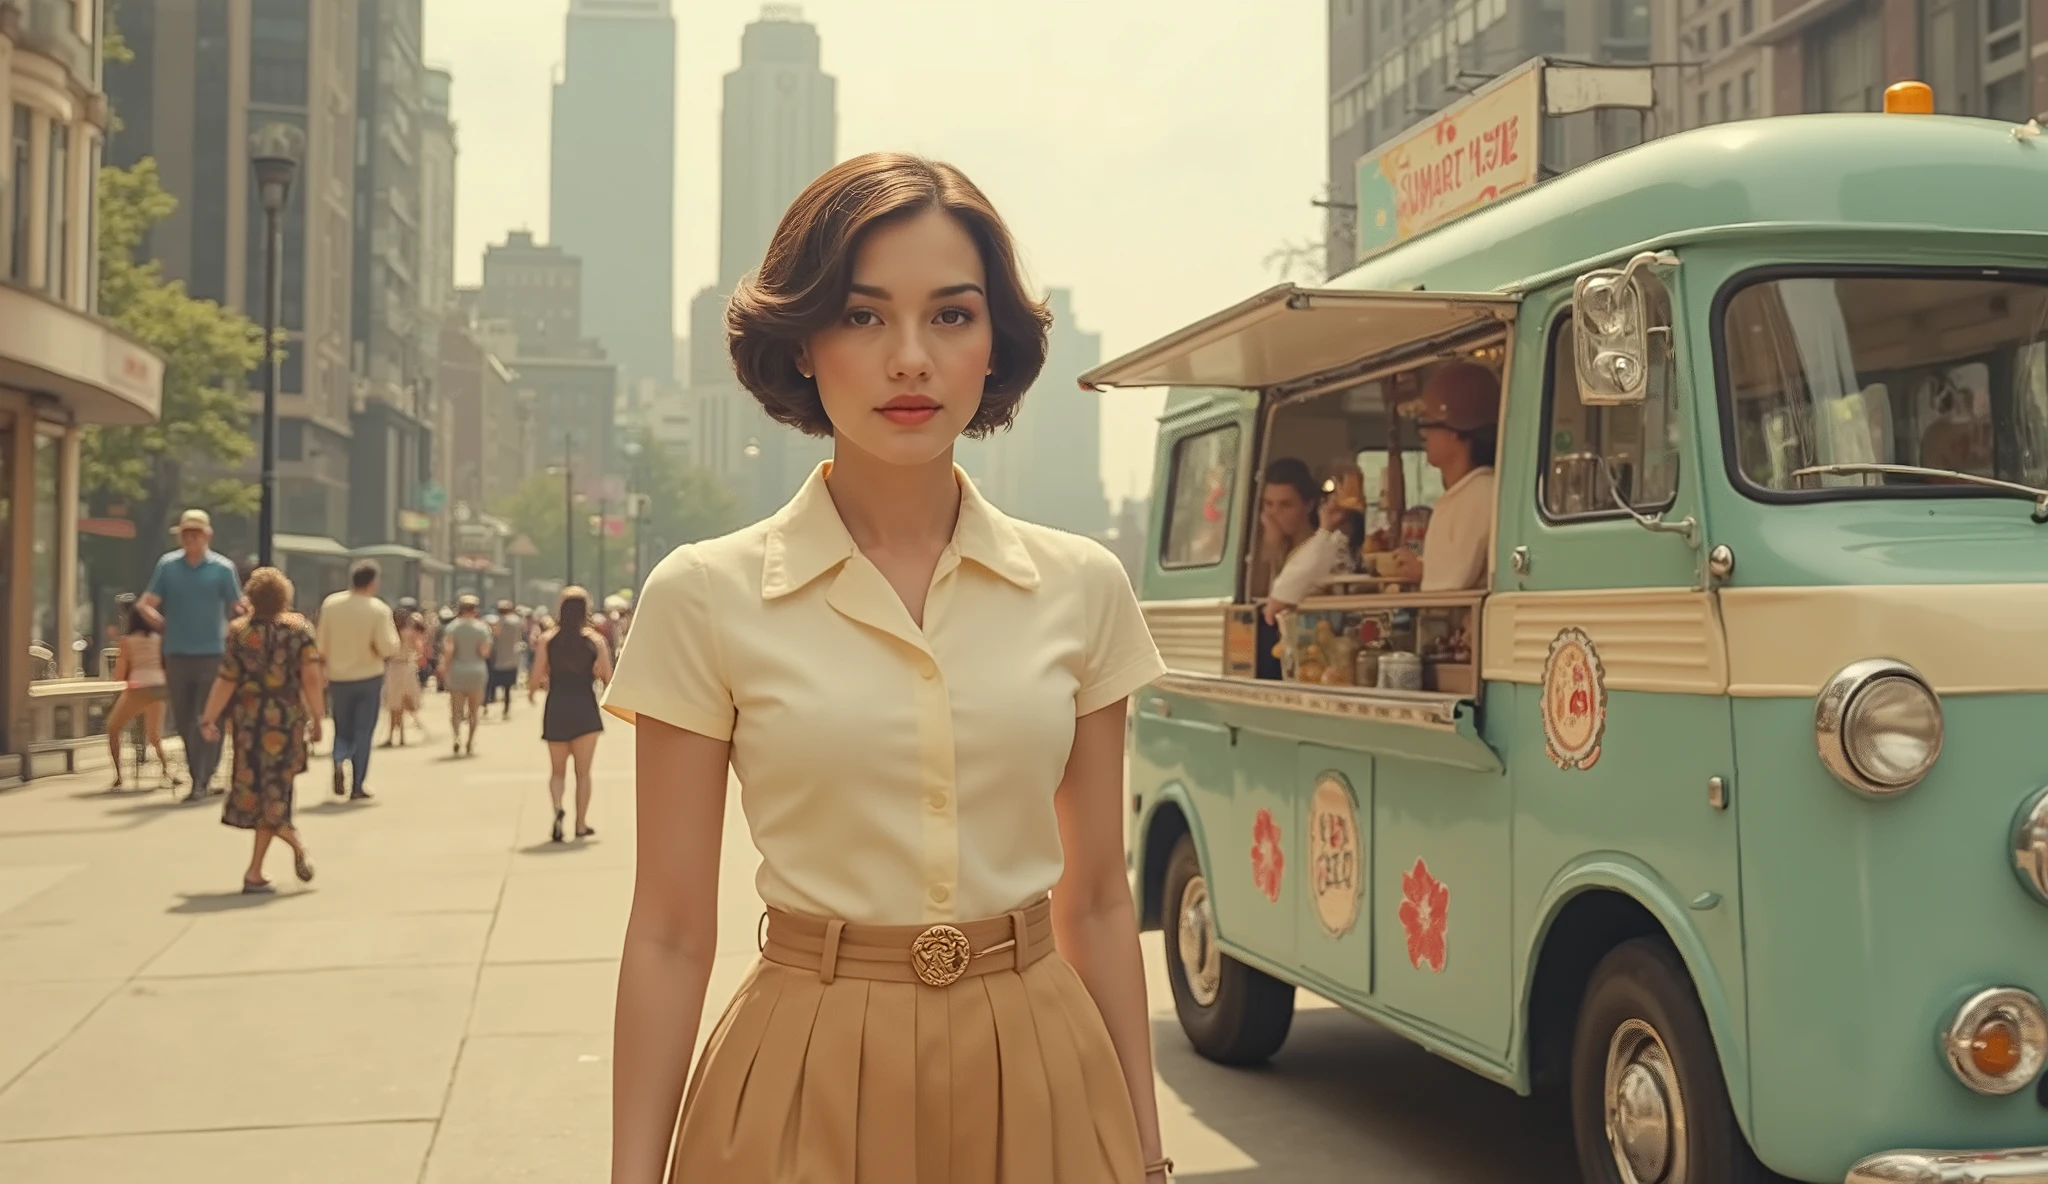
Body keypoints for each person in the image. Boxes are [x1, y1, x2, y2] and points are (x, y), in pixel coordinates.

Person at [603, 153, 1173, 1184]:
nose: (909, 357)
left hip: (1041, 1065)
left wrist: (1144, 1143)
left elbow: (1093, 898)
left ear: (993, 342)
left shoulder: (1082, 586)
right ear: (803, 342)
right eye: (864, 317)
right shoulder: (703, 594)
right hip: (798, 1070)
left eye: (950, 316)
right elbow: (672, 931)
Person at [197, 567, 323, 894]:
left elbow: (226, 680)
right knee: (277, 792)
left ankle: (260, 868)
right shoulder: (300, 631)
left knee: (259, 793)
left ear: (251, 597)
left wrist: (208, 718)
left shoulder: (239, 633)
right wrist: (318, 718)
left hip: (249, 725)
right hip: (286, 722)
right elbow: (310, 677)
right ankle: (287, 851)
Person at [137, 509, 247, 803]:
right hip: (176, 653)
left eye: (196, 533)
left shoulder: (222, 568)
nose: (191, 539)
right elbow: (146, 603)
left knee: (208, 715)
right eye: (186, 534)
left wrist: (249, 622)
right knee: (185, 718)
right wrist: (158, 621)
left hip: (212, 653)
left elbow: (238, 605)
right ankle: (199, 773)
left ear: (207, 536)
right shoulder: (168, 566)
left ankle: (203, 777)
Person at [1386, 361, 1500, 592]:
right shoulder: (1463, 494)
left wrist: (1423, 572)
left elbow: (1453, 583)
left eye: (1428, 423)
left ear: (1456, 432)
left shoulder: (1481, 494)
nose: (1424, 434)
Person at [527, 585, 612, 843]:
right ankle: (580, 823)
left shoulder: (548, 639)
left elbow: (538, 674)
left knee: (557, 771)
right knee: (583, 773)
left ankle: (557, 808)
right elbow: (608, 676)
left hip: (558, 705)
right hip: (585, 705)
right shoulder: (595, 640)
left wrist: (532, 691)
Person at [316, 560, 400, 801]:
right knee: (363, 731)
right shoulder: (378, 609)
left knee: (342, 726)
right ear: (373, 581)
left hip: (338, 677)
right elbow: (388, 647)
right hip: (367, 677)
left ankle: (338, 758)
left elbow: (321, 644)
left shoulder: (331, 605)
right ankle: (357, 785)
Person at [104, 602, 177, 791]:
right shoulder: (158, 639)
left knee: (113, 728)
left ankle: (119, 776)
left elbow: (120, 673)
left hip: (139, 688)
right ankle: (167, 771)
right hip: (160, 687)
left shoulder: (127, 641)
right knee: (154, 735)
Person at [438, 594, 492, 756]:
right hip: (476, 671)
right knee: (474, 711)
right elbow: (484, 652)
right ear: (475, 610)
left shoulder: (452, 628)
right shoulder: (483, 628)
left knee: (456, 710)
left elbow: (449, 650)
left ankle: (456, 737)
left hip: (457, 672)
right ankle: (470, 741)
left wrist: (444, 667)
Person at [382, 607, 428, 746]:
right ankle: (401, 735)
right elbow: (419, 649)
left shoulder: (390, 634)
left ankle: (392, 735)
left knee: (393, 704)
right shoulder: (410, 633)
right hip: (406, 667)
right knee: (403, 701)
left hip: (394, 667)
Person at [484, 599, 524, 719]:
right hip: (511, 659)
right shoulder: (517, 622)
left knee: (490, 684)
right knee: (507, 688)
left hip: (497, 658)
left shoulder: (496, 622)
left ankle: (487, 707)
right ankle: (506, 710)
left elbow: (492, 639)